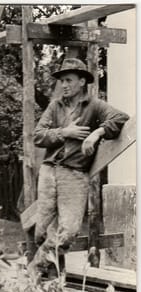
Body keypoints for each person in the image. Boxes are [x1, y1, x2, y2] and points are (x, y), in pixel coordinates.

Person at [28, 58, 129, 280]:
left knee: (69, 232)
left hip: (73, 174)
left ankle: (36, 266)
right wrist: (65, 132)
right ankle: (55, 278)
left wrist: (96, 133)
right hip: (48, 171)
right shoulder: (55, 106)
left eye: (68, 80)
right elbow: (37, 135)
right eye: (62, 81)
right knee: (41, 231)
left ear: (82, 81)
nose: (64, 85)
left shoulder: (94, 106)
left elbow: (121, 117)